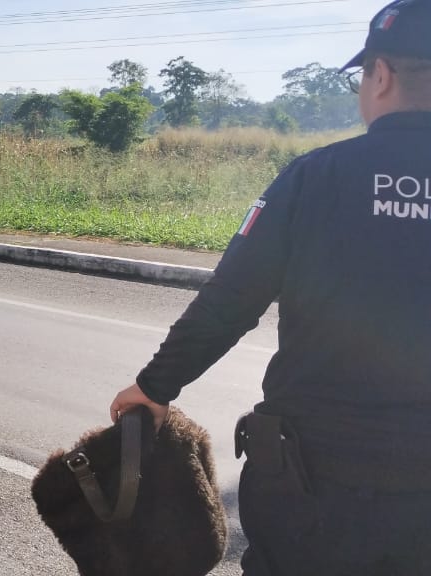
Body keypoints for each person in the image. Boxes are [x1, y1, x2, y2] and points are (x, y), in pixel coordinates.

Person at [109, 1, 431, 574]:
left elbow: (230, 301)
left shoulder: (316, 177)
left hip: (312, 489)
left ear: (380, 75)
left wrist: (154, 387)